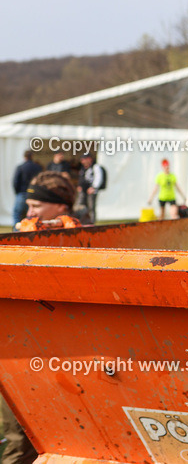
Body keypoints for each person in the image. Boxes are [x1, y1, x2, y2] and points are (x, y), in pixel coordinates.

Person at [4, 171, 81, 464]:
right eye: (29, 205)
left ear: (61, 207)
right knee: (16, 434)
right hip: (16, 351)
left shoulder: (84, 238)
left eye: (36, 206)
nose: (30, 212)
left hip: (59, 356)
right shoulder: (21, 236)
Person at [11, 150, 43, 226]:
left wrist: (18, 192)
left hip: (22, 193)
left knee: (17, 215)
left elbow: (15, 182)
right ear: (32, 156)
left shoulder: (20, 167)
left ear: (24, 157)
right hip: (34, 195)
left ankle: (16, 234)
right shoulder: (38, 167)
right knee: (31, 217)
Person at [77, 153, 105, 225]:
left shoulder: (95, 167)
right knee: (80, 206)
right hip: (84, 190)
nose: (83, 161)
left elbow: (98, 178)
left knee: (91, 207)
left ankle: (92, 222)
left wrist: (94, 187)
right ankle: (80, 221)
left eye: (85, 159)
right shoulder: (83, 168)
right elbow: (81, 178)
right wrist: (80, 186)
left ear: (89, 159)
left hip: (91, 190)